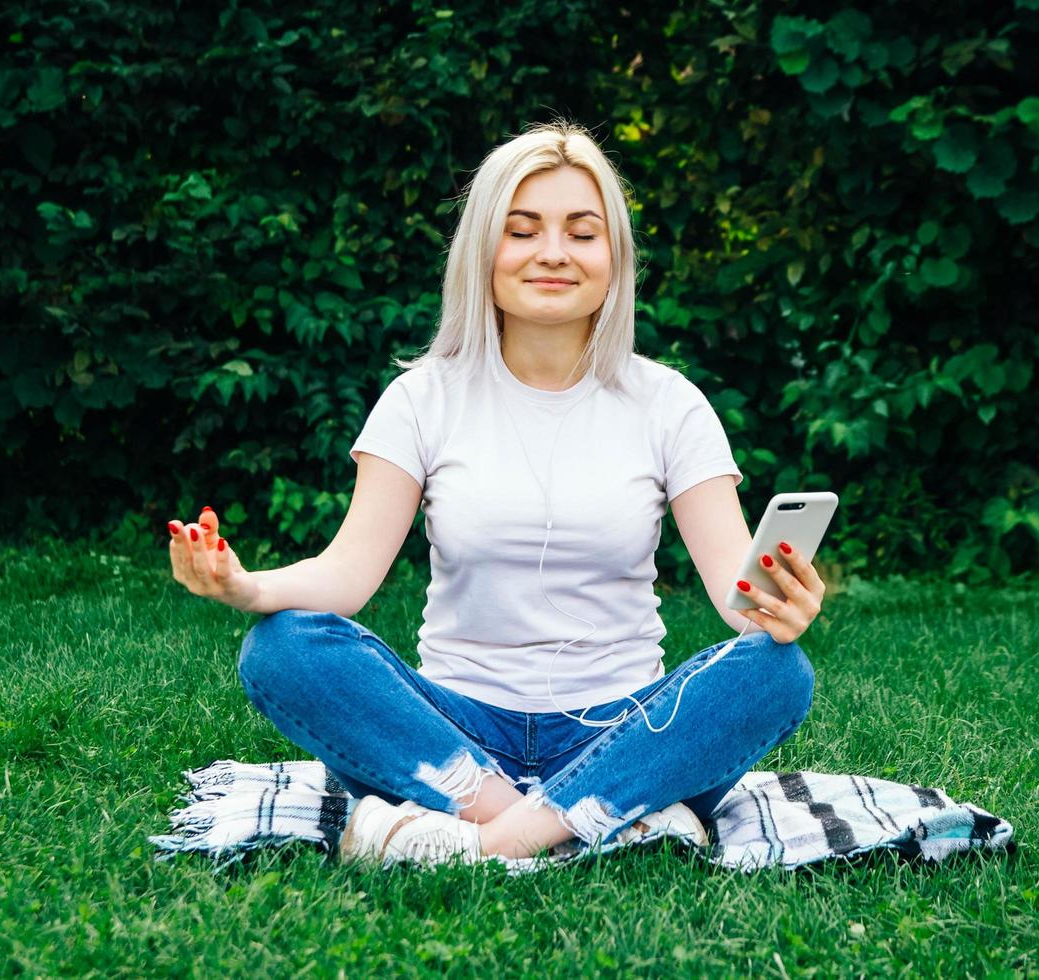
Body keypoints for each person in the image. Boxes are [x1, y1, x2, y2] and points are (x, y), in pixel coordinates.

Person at [166, 120, 826, 869]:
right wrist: (244, 585)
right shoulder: (422, 399)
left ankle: (482, 844)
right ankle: (583, 821)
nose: (552, 253)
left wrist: (780, 607)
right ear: (485, 250)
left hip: (624, 729)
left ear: (614, 259)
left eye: (582, 232)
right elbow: (346, 576)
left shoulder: (669, 404)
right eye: (523, 230)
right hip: (455, 738)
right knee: (284, 646)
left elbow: (736, 593)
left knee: (777, 671)